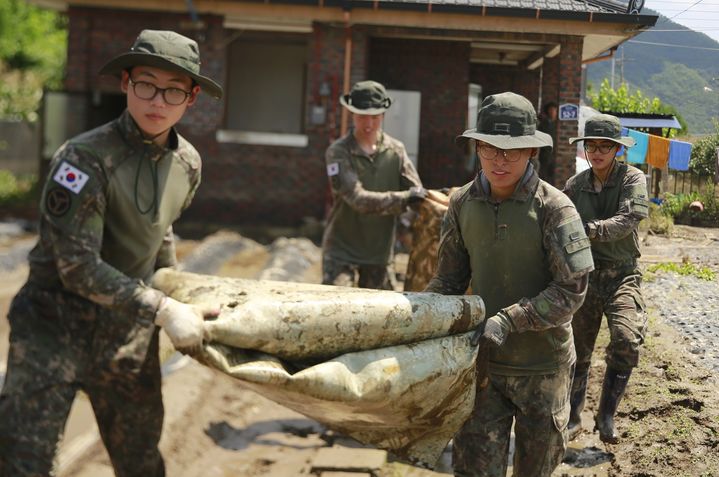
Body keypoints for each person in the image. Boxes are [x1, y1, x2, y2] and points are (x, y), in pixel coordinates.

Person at [0, 30, 223, 477]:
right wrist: (163, 307)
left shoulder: (188, 165)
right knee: (23, 463)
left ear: (192, 97)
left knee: (140, 462)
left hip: (126, 338)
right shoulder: (83, 159)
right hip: (53, 329)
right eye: (146, 84)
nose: (157, 101)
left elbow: (159, 232)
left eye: (173, 90)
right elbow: (77, 268)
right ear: (125, 83)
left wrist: (178, 284)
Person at [425, 92, 594, 477]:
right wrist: (420, 315)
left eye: (512, 151)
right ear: (477, 146)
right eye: (490, 148)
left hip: (543, 368)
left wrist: (510, 320)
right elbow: (449, 279)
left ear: (532, 151)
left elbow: (571, 290)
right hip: (481, 368)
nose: (500, 160)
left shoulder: (555, 209)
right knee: (474, 468)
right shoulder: (462, 203)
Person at [563, 113, 649, 444]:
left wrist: (588, 230)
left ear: (617, 150)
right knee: (578, 351)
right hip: (584, 276)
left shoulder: (633, 179)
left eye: (605, 147)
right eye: (592, 146)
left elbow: (629, 218)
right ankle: (572, 417)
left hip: (622, 275)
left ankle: (607, 415)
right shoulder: (575, 186)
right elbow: (558, 222)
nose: (597, 152)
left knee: (626, 341)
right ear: (585, 148)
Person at [322, 80, 427, 290]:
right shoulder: (338, 152)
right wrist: (405, 198)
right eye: (362, 116)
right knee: (338, 313)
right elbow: (358, 199)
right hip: (343, 253)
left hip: (379, 254)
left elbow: (418, 196)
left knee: (383, 318)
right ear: (352, 114)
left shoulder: (396, 150)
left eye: (375, 117)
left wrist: (409, 226)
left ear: (383, 115)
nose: (368, 124)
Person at [537, 101, 558, 184]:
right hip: (544, 154)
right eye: (551, 110)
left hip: (552, 154)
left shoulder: (555, 125)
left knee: (551, 175)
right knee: (544, 175)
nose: (553, 113)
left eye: (555, 111)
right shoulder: (543, 124)